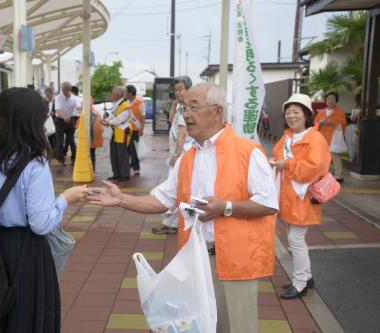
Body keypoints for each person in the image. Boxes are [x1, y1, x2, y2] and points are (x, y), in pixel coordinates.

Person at [89, 83, 278, 333]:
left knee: (236, 327)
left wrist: (225, 207)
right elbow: (163, 200)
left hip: (236, 262)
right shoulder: (188, 157)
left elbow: (267, 203)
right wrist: (122, 199)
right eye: (183, 107)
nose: (185, 114)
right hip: (194, 262)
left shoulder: (247, 152)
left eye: (193, 107)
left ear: (217, 111)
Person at [0, 87, 89, 333]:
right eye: (42, 117)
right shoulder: (34, 163)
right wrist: (65, 198)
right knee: (27, 319)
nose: (45, 123)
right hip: (25, 252)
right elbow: (40, 223)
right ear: (29, 121)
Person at [272, 94, 331, 299]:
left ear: (306, 114)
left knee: (296, 240)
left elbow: (315, 168)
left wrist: (286, 164)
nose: (291, 116)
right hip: (289, 196)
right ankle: (306, 276)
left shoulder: (316, 138)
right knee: (294, 239)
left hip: (304, 197)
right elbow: (277, 156)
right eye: (288, 112)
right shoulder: (287, 136)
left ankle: (300, 283)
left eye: (296, 112)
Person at [152, 76, 193, 235]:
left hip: (181, 154)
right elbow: (171, 120)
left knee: (174, 189)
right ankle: (175, 223)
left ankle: (172, 224)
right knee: (178, 189)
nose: (177, 93)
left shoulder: (188, 106)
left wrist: (176, 155)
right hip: (178, 153)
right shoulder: (181, 106)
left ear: (189, 89)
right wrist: (175, 104)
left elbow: (182, 133)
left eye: (181, 89)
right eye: (175, 90)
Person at [314, 92, 347, 182]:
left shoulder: (340, 112)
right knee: (322, 157)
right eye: (328, 99)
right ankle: (323, 173)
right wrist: (320, 123)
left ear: (336, 101)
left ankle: (338, 175)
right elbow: (315, 124)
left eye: (333, 99)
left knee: (335, 156)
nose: (330, 101)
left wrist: (333, 123)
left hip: (334, 139)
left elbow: (343, 125)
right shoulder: (321, 112)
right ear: (326, 100)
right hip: (322, 138)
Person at [102, 86, 132, 181]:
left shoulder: (125, 105)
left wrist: (108, 122)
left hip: (122, 132)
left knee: (122, 154)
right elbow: (112, 116)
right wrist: (106, 120)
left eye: (112, 93)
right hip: (114, 132)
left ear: (117, 95)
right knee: (114, 154)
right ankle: (116, 173)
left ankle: (124, 174)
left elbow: (121, 119)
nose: (111, 95)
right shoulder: (116, 104)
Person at [75, 96, 103, 171]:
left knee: (87, 153)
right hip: (93, 138)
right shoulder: (96, 113)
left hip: (89, 138)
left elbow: (78, 126)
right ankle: (92, 168)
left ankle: (89, 168)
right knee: (92, 153)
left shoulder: (86, 114)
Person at [54, 82, 78, 165]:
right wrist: (64, 117)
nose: (63, 92)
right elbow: (57, 110)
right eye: (62, 90)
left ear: (69, 90)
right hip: (60, 120)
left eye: (65, 90)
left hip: (70, 120)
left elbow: (78, 107)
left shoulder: (74, 98)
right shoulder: (58, 98)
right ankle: (61, 159)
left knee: (71, 140)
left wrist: (79, 109)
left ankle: (74, 158)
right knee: (59, 140)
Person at [126, 85, 145, 175]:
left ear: (130, 93)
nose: (125, 94)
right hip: (126, 130)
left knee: (134, 149)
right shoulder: (126, 103)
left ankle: (136, 167)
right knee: (127, 149)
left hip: (135, 130)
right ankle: (128, 166)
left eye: (126, 92)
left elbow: (143, 116)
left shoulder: (140, 103)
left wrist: (142, 129)